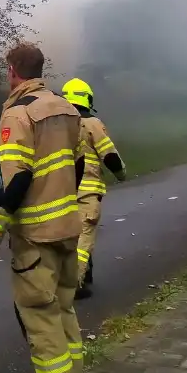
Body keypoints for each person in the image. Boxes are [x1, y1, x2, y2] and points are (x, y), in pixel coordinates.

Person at [0, 43, 84, 373]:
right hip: (70, 228)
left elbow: (17, 178)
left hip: (37, 236)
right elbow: (80, 163)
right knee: (64, 310)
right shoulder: (67, 108)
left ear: (12, 70)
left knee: (41, 322)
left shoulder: (17, 113)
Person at [60, 78, 126, 300]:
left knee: (65, 238)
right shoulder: (92, 124)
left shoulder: (57, 123)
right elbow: (109, 155)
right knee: (83, 240)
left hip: (60, 191)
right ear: (86, 98)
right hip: (86, 193)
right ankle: (73, 286)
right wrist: (121, 175)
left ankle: (75, 277)